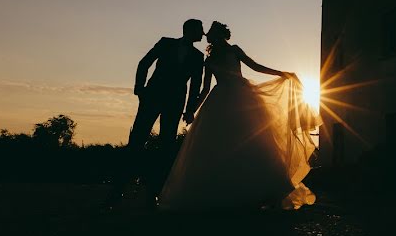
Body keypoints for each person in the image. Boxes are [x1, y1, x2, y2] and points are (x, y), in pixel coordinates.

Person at [159, 21, 319, 210]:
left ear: (221, 35)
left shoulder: (234, 50)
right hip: (220, 101)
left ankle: (265, 190)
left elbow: (255, 66)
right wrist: (192, 110)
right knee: (221, 145)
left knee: (255, 140)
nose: (210, 36)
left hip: (242, 97)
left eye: (213, 33)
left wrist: (280, 73)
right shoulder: (208, 61)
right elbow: (205, 88)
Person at [106, 19, 205, 207]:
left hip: (174, 104)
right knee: (136, 141)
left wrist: (190, 109)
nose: (203, 33)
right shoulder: (165, 42)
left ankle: (154, 193)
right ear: (190, 30)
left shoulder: (198, 56)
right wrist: (139, 88)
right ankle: (117, 191)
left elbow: (195, 85)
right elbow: (145, 63)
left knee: (166, 146)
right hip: (151, 97)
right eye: (200, 30)